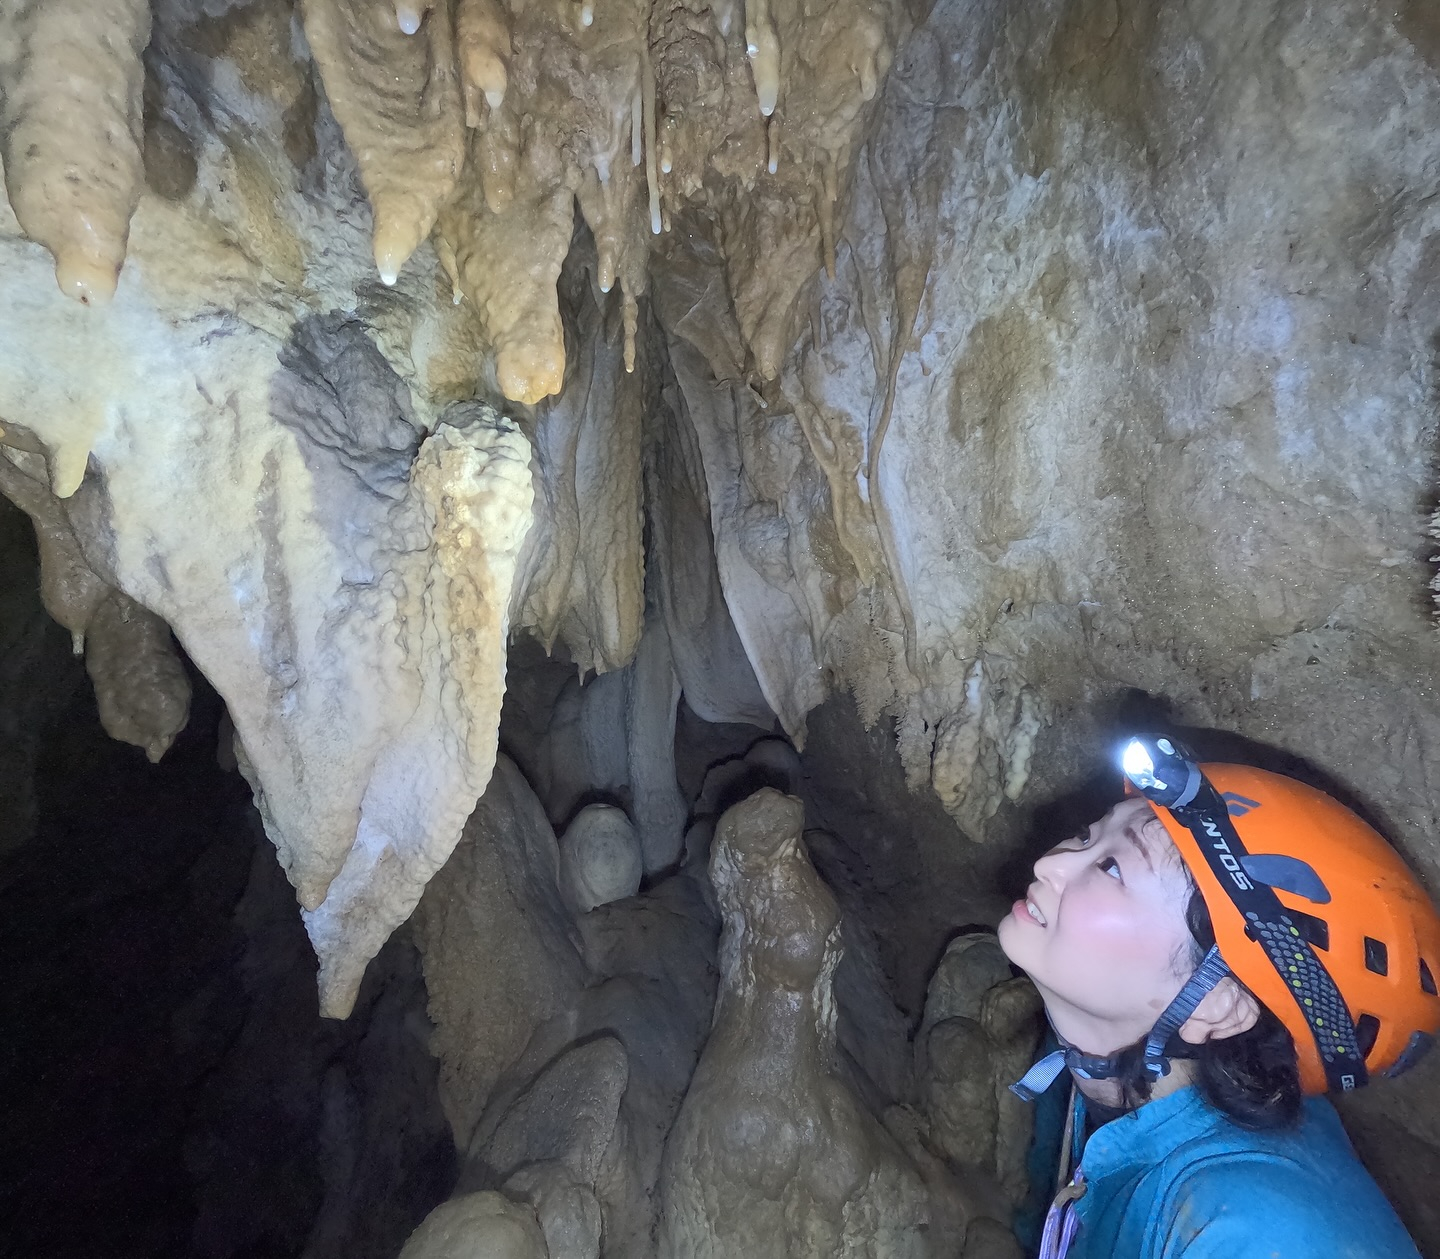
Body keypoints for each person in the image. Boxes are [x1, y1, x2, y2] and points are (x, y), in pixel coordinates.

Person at [997, 734, 1440, 1259]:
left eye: (1112, 868)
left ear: (1216, 1003)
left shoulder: (1257, 1234)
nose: (1052, 863)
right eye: (1087, 835)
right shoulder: (1100, 1062)